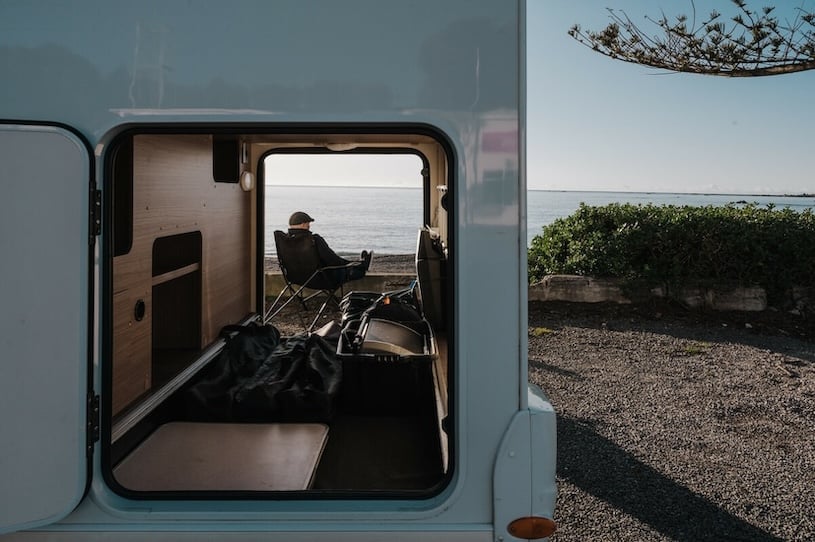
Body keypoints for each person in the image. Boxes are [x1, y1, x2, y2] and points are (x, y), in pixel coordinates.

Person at [287, 211, 372, 282]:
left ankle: (361, 263)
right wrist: (349, 264)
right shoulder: (314, 240)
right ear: (303, 224)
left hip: (295, 277)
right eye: (308, 223)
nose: (309, 226)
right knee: (358, 271)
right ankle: (363, 265)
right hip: (320, 278)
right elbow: (333, 260)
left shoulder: (285, 240)